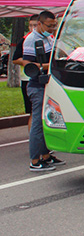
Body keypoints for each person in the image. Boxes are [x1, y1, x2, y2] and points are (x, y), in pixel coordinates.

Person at [19, 11, 63, 172]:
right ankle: (35, 160)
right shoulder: (32, 40)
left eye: (54, 26)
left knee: (47, 121)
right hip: (37, 85)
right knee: (37, 124)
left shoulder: (48, 38)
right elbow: (29, 64)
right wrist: (51, 65)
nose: (52, 29)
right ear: (40, 24)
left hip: (47, 84)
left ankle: (46, 156)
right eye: (49, 26)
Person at [11, 15, 38, 131]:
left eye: (35, 25)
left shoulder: (49, 39)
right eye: (31, 25)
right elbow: (15, 59)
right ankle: (32, 137)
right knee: (33, 112)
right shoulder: (25, 40)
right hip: (27, 79)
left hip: (42, 79)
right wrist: (28, 62)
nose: (33, 28)